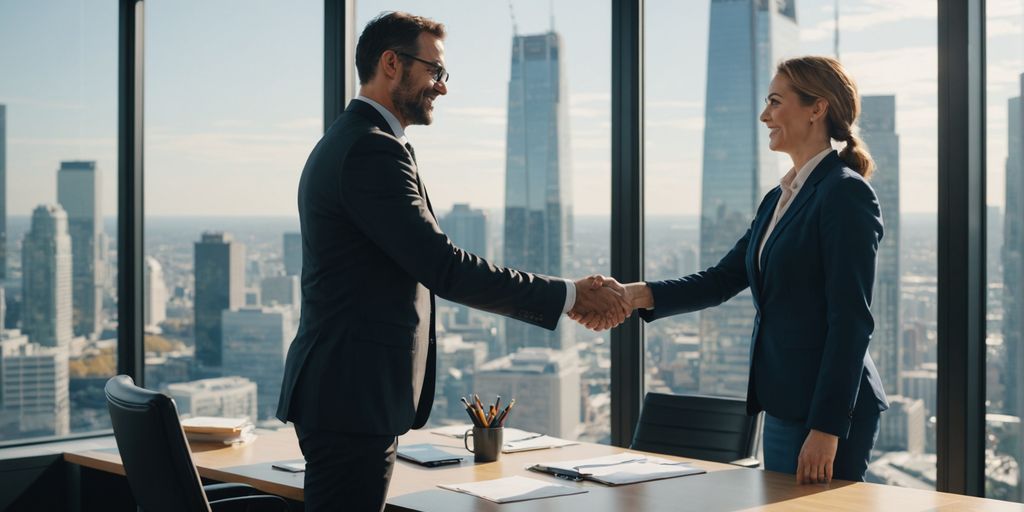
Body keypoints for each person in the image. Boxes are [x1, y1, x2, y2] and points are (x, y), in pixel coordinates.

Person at [275, 12, 629, 511]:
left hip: (348, 395)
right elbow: (443, 267)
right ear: (392, 63)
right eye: (434, 71)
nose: (441, 87)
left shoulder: (358, 140)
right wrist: (568, 295)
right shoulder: (370, 150)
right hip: (353, 398)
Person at [579, 56, 889, 484]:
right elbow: (723, 278)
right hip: (784, 404)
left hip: (828, 413)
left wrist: (827, 428)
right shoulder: (778, 199)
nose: (765, 116)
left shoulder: (844, 194)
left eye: (776, 102)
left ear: (817, 108)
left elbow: (851, 320)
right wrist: (632, 295)